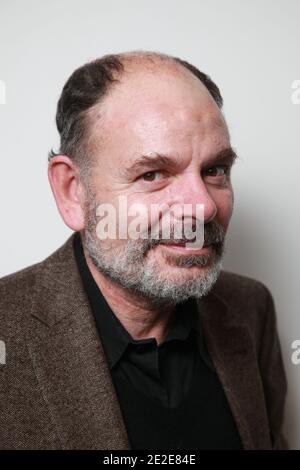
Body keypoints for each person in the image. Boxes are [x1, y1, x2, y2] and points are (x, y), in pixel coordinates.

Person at [0, 51, 287, 449]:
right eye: (153, 174)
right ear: (73, 192)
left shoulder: (251, 308)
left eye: (215, 170)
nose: (203, 207)